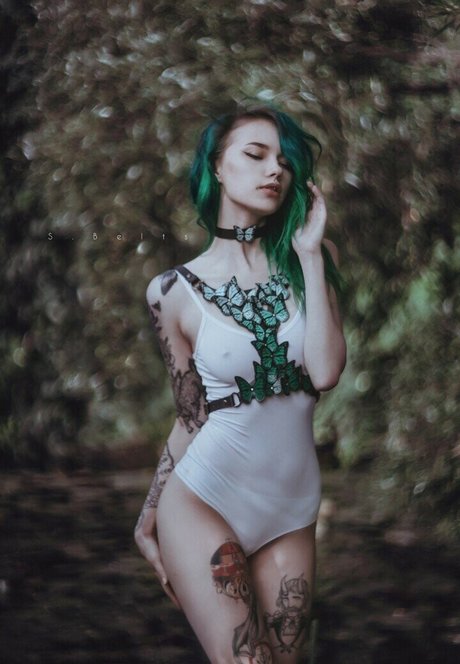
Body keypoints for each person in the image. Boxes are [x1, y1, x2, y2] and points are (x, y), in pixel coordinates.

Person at [135, 102, 346, 664]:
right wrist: (149, 515)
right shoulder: (171, 291)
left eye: (284, 162)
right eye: (255, 155)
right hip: (203, 500)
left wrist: (309, 255)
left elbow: (325, 372)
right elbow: (192, 417)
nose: (274, 169)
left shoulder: (313, 260)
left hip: (292, 510)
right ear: (217, 167)